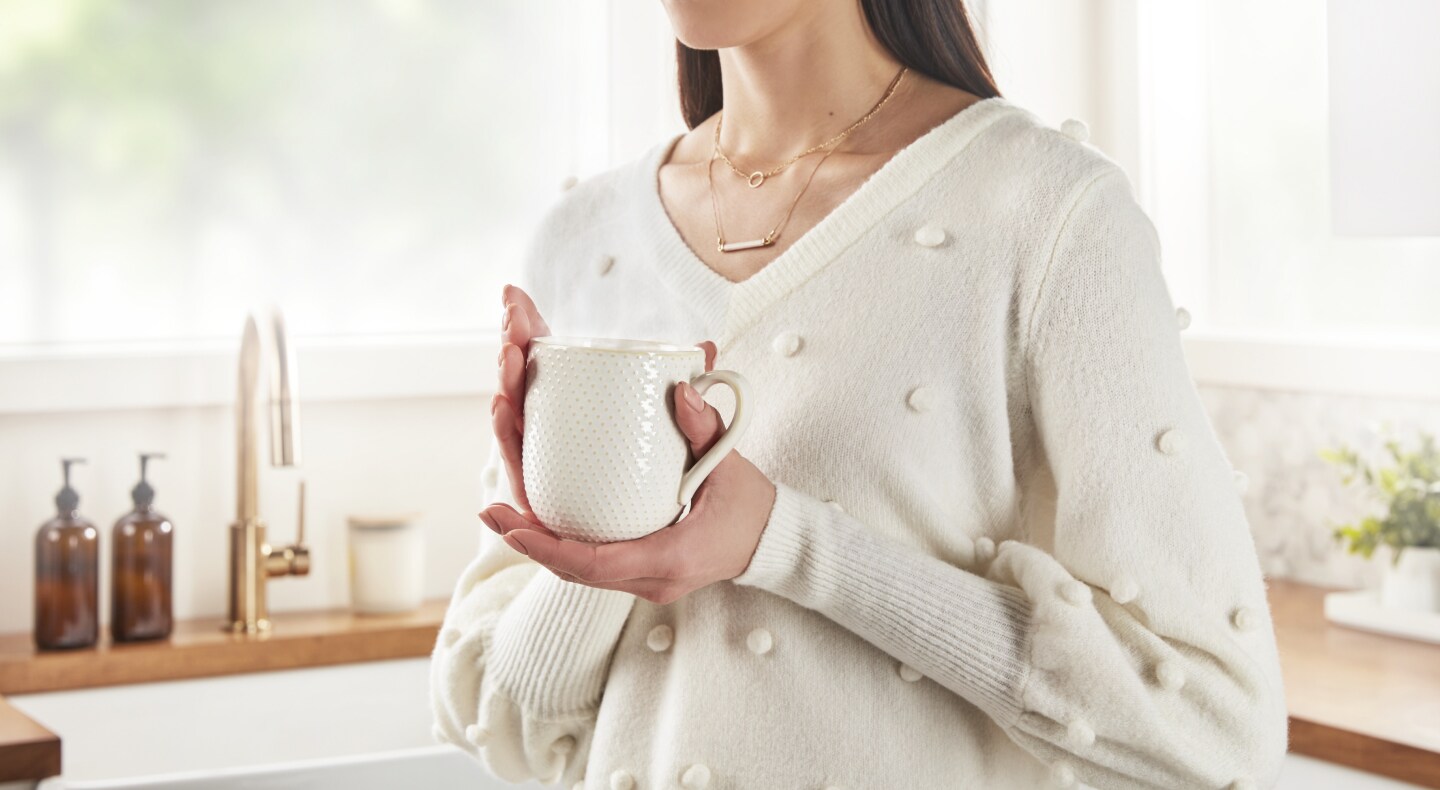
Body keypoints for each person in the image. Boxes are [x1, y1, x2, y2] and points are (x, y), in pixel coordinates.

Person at [430, 1, 1289, 787]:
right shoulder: (586, 237)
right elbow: (506, 724)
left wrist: (791, 545)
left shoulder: (1049, 215)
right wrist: (614, 517)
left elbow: (1213, 730)